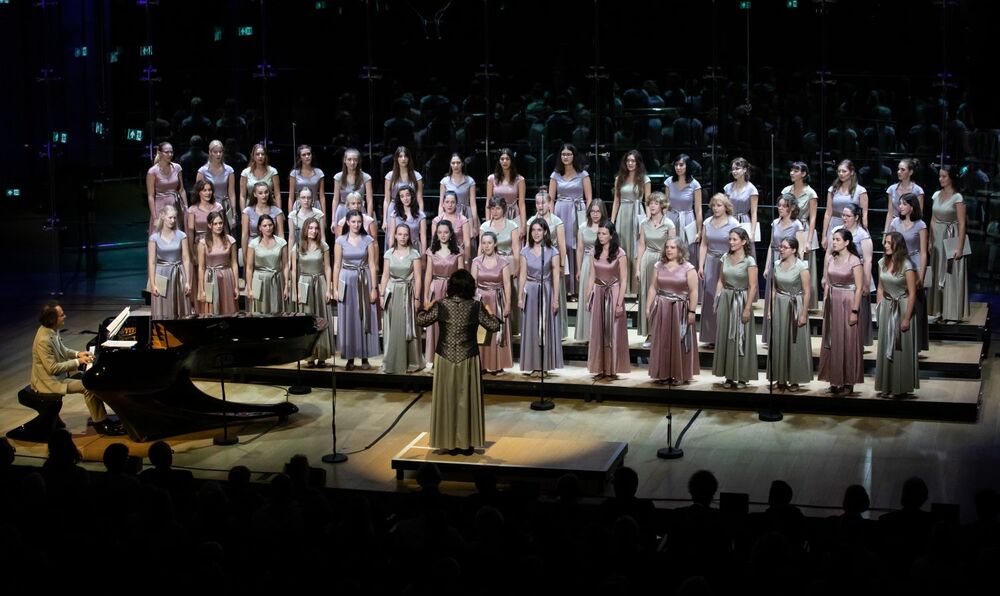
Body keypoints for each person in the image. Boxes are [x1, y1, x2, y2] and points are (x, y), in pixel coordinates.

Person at [416, 270, 501, 455]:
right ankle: (466, 443)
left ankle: (447, 441)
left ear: (451, 287)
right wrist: (491, 313)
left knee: (447, 399)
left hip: (445, 358)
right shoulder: (475, 306)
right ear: (470, 287)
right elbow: (494, 326)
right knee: (465, 399)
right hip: (468, 358)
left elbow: (421, 320)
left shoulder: (441, 305)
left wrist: (424, 307)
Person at [31, 301, 125, 435]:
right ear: (53, 319)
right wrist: (78, 361)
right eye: (62, 315)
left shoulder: (50, 331)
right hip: (48, 383)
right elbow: (52, 369)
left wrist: (77, 354)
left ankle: (102, 418)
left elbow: (62, 350)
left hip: (57, 378)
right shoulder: (43, 340)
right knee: (88, 387)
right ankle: (100, 423)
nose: (65, 316)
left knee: (91, 380)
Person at [818, 228, 865, 395]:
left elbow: (859, 288)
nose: (834, 242)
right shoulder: (831, 258)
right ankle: (834, 379)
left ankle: (847, 382)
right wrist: (825, 302)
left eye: (837, 239)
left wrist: (855, 310)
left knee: (848, 341)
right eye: (833, 239)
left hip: (847, 301)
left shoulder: (854, 261)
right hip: (833, 301)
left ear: (847, 242)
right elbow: (828, 283)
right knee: (833, 340)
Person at [647, 238, 698, 385]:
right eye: (667, 247)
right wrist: (648, 306)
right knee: (662, 341)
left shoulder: (689, 268)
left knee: (679, 341)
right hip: (662, 307)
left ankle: (679, 374)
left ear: (680, 250)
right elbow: (653, 287)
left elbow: (694, 291)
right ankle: (663, 374)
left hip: (680, 309)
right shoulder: (658, 265)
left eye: (673, 247)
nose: (669, 250)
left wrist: (692, 312)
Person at [874, 232, 920, 398]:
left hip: (902, 307)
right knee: (887, 344)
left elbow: (913, 294)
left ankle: (900, 387)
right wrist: (879, 308)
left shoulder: (907, 265)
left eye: (888, 243)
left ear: (897, 245)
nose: (885, 245)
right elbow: (880, 288)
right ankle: (886, 385)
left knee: (900, 347)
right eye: (885, 242)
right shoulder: (882, 262)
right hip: (887, 307)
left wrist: (907, 317)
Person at [333, 212, 379, 370]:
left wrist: (374, 288)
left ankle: (365, 357)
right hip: (346, 280)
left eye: (359, 221)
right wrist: (335, 288)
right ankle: (350, 357)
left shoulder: (368, 240)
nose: (356, 224)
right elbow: (337, 265)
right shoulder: (340, 241)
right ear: (347, 222)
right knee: (349, 318)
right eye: (353, 221)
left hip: (364, 280)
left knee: (364, 316)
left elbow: (372, 264)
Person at [712, 227, 758, 388]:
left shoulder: (749, 261)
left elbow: (753, 286)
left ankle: (742, 377)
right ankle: (729, 376)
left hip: (741, 298)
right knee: (726, 336)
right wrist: (717, 299)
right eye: (730, 239)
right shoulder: (725, 257)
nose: (731, 242)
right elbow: (720, 280)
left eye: (734, 239)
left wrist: (747, 308)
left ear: (743, 242)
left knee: (741, 337)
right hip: (726, 298)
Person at [584, 221, 630, 380]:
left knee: (612, 332)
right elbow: (592, 275)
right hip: (598, 293)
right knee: (597, 331)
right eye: (599, 233)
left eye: (604, 233)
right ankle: (599, 368)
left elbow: (624, 280)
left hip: (613, 292)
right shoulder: (593, 252)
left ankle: (612, 369)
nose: (601, 236)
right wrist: (588, 296)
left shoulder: (620, 253)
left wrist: (619, 303)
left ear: (611, 235)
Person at [519, 219, 564, 377]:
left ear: (545, 232)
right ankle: (533, 365)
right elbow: (523, 274)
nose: (536, 233)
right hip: (530, 292)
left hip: (546, 290)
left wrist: (556, 299)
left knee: (545, 328)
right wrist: (519, 297)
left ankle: (544, 366)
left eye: (539, 230)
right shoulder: (525, 251)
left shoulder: (552, 251)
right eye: (533, 230)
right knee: (531, 328)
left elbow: (556, 277)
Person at [766, 237, 813, 390]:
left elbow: (807, 292)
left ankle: (794, 379)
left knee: (794, 343)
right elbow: (774, 288)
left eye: (785, 247)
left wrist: (804, 314)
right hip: (780, 304)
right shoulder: (776, 265)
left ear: (793, 250)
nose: (781, 249)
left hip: (795, 305)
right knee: (779, 340)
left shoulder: (801, 267)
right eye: (781, 247)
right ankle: (780, 378)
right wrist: (769, 309)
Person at [379, 223, 425, 374]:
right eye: (400, 234)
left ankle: (411, 361)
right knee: (393, 327)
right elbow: (385, 276)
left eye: (405, 234)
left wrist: (417, 298)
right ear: (395, 235)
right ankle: (392, 361)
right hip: (392, 293)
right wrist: (381, 295)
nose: (403, 237)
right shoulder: (388, 254)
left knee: (407, 327)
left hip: (408, 294)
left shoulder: (414, 254)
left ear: (409, 236)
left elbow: (418, 278)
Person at [548, 143, 593, 297]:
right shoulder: (555, 175)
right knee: (563, 246)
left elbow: (589, 198)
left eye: (568, 154)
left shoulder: (583, 174)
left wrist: (588, 219)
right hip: (561, 210)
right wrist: (551, 219)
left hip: (578, 211)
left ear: (574, 156)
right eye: (563, 154)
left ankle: (578, 287)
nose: (566, 157)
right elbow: (550, 199)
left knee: (577, 246)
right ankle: (565, 287)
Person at [928, 164, 969, 322]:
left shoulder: (958, 197)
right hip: (937, 236)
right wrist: (931, 241)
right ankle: (937, 310)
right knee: (937, 272)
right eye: (940, 176)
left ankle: (952, 313)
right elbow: (932, 219)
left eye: (944, 176)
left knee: (951, 273)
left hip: (952, 237)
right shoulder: (936, 194)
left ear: (951, 177)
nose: (941, 179)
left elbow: (962, 223)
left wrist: (959, 247)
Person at [888, 193, 930, 350]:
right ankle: (895, 338)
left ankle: (916, 342)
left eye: (904, 204)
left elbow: (924, 252)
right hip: (898, 263)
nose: (900, 207)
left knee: (916, 302)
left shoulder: (921, 225)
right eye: (900, 204)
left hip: (915, 264)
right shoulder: (894, 223)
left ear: (912, 207)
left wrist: (922, 274)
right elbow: (889, 246)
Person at [762, 194, 804, 343]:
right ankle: (770, 335)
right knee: (772, 297)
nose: (780, 208)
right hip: (775, 261)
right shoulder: (774, 223)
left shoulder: (797, 225)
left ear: (792, 208)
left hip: (789, 264)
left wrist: (798, 270)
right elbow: (771, 245)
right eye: (779, 205)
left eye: (784, 206)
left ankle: (785, 333)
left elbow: (801, 249)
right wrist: (768, 266)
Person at [293, 217, 335, 367]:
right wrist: (296, 291)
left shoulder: (323, 246)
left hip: (320, 282)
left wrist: (329, 288)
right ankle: (309, 355)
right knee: (308, 319)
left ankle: (322, 354)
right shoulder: (297, 247)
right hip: (304, 284)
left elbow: (328, 267)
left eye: (316, 228)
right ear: (305, 229)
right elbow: (294, 270)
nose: (313, 231)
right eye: (310, 228)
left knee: (321, 318)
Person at [699, 193, 740, 346]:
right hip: (710, 262)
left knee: (725, 298)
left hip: (727, 263)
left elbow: (739, 245)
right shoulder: (707, 222)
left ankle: (727, 336)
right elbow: (704, 244)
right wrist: (701, 265)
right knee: (710, 299)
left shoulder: (733, 223)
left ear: (726, 207)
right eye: (714, 205)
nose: (715, 208)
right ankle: (711, 336)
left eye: (719, 205)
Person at [528, 189, 569, 339]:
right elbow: (528, 245)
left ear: (550, 203)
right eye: (538, 203)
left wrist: (562, 265)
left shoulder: (557, 221)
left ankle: (559, 330)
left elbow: (563, 245)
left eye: (543, 202)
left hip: (554, 260)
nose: (540, 206)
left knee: (556, 294)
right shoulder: (531, 221)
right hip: (537, 264)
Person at [636, 192, 675, 346]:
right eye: (650, 203)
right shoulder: (644, 224)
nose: (652, 206)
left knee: (662, 296)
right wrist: (638, 268)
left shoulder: (669, 224)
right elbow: (641, 246)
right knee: (647, 295)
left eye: (655, 203)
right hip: (648, 260)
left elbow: (674, 246)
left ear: (662, 206)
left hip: (664, 261)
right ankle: (650, 333)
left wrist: (671, 265)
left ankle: (663, 332)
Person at [832, 203, 875, 346]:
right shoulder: (838, 231)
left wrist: (866, 282)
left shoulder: (862, 235)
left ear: (856, 217)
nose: (844, 218)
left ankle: (857, 341)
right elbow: (829, 255)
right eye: (843, 215)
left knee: (858, 308)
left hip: (857, 274)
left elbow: (868, 260)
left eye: (848, 215)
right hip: (840, 275)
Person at [423, 220, 464, 366]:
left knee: (451, 324)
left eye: (446, 232)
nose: (443, 235)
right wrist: (426, 296)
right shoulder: (431, 251)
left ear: (451, 233)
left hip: (452, 291)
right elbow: (428, 275)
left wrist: (460, 295)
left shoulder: (458, 251)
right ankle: (434, 358)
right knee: (435, 325)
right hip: (436, 289)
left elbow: (461, 275)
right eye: (440, 232)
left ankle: (450, 358)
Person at [473, 231, 513, 374]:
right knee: (481, 333)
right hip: (481, 301)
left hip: (497, 301)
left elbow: (507, 285)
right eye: (483, 243)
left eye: (489, 243)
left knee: (496, 334)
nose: (486, 246)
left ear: (495, 244)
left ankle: (496, 364)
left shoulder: (503, 262)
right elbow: (473, 284)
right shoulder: (476, 261)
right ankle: (481, 364)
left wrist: (508, 304)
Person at [611, 149, 651, 291]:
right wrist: (612, 221)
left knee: (637, 249)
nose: (630, 163)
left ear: (638, 162)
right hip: (623, 214)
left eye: (633, 161)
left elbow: (648, 202)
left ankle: (636, 288)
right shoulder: (619, 179)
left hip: (637, 214)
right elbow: (616, 201)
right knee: (623, 248)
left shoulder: (645, 179)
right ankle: (624, 287)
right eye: (628, 161)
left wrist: (648, 221)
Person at [481, 196, 521, 335]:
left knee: (510, 294)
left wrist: (517, 266)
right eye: (493, 208)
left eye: (498, 208)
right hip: (491, 265)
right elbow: (482, 250)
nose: (495, 211)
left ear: (503, 209)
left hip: (508, 263)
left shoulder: (512, 225)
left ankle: (512, 328)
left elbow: (516, 248)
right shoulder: (485, 226)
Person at [781, 161, 820, 309]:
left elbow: (813, 218)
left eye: (796, 170)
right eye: (791, 170)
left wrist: (809, 240)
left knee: (803, 266)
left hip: (803, 230)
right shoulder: (786, 191)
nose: (792, 173)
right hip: (787, 228)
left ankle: (805, 303)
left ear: (803, 174)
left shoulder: (810, 193)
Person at [148, 204, 193, 319]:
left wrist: (188, 280)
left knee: (181, 306)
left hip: (179, 273)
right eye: (170, 217)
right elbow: (152, 262)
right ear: (163, 216)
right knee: (163, 307)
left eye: (174, 218)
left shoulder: (181, 235)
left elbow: (186, 258)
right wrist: (153, 284)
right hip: (162, 274)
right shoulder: (154, 238)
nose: (172, 220)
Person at [575, 199, 608, 342]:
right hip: (587, 264)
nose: (595, 214)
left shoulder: (606, 227)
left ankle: (601, 333)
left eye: (598, 211)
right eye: (593, 211)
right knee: (587, 298)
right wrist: (579, 269)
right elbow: (580, 249)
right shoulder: (582, 227)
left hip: (602, 264)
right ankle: (588, 334)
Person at [197, 211, 239, 315]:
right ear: (209, 225)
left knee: (228, 308)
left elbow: (234, 263)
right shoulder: (203, 243)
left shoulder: (231, 240)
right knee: (212, 309)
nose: (219, 226)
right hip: (210, 277)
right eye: (215, 224)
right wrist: (201, 289)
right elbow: (201, 268)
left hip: (227, 276)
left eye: (220, 223)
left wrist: (236, 286)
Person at [664, 153, 703, 267]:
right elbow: (665, 205)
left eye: (681, 165)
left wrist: (699, 231)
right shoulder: (669, 182)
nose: (678, 168)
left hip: (688, 220)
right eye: (676, 165)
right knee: (670, 250)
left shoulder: (695, 184)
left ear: (688, 166)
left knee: (687, 252)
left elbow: (698, 209)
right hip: (671, 219)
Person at [246, 214, 288, 314]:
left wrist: (286, 286)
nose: (268, 228)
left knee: (277, 310)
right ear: (260, 228)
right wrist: (249, 287)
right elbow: (249, 267)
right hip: (259, 280)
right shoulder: (253, 244)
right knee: (260, 312)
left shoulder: (281, 242)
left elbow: (285, 265)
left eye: (270, 225)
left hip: (276, 280)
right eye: (265, 226)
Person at [822, 159, 868, 248]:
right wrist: (824, 235)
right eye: (839, 171)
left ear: (851, 172)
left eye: (844, 171)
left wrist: (863, 230)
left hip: (853, 225)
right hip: (835, 223)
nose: (841, 174)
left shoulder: (860, 191)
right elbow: (828, 213)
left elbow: (864, 215)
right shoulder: (832, 190)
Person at [146, 141, 187, 234]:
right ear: (160, 153)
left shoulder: (177, 167)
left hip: (175, 204)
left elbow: (181, 189)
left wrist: (186, 207)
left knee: (176, 233)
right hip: (160, 206)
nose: (170, 154)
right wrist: (155, 216)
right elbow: (150, 196)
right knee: (160, 234)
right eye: (167, 152)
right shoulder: (152, 171)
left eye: (171, 152)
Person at [196, 139, 237, 231]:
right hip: (209, 205)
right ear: (210, 153)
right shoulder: (202, 171)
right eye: (215, 152)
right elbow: (198, 193)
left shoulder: (229, 170)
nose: (218, 154)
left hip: (225, 205)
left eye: (220, 152)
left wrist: (234, 212)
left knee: (226, 234)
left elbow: (231, 193)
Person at [241, 181, 285, 266]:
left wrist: (281, 253)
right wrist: (244, 254)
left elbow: (280, 234)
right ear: (254, 194)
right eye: (260, 193)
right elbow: (245, 235)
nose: (264, 195)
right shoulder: (247, 212)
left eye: (266, 192)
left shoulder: (277, 211)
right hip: (253, 248)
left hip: (272, 248)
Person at [723, 157, 759, 255]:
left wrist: (752, 232)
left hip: (744, 221)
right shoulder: (728, 187)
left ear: (745, 169)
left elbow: (754, 213)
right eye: (733, 169)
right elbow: (724, 208)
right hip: (730, 220)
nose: (734, 171)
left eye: (737, 169)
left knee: (745, 252)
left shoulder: (752, 189)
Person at [186, 179, 225, 267]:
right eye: (205, 190)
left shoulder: (218, 207)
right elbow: (191, 232)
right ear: (199, 192)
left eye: (210, 190)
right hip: (200, 245)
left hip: (217, 243)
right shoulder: (192, 210)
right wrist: (192, 253)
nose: (208, 193)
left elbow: (224, 228)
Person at [383, 146, 424, 228]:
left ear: (409, 158)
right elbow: (387, 199)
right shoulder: (390, 176)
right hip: (394, 209)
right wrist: (384, 220)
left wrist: (421, 218)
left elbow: (419, 199)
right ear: (396, 159)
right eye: (400, 156)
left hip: (412, 209)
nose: (403, 159)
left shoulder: (417, 176)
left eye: (405, 156)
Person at [486, 148, 526, 228]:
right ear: (499, 161)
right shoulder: (491, 179)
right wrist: (487, 221)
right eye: (502, 159)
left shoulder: (520, 180)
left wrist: (523, 225)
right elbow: (488, 202)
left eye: (507, 159)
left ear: (511, 161)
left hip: (513, 215)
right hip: (496, 215)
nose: (505, 161)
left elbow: (521, 204)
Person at [332, 147, 374, 222]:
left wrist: (369, 219)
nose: (352, 162)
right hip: (342, 210)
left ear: (358, 161)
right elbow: (335, 199)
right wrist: (333, 220)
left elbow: (369, 200)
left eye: (355, 160)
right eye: (349, 159)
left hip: (359, 210)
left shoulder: (366, 177)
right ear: (344, 160)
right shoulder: (338, 177)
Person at [885, 158, 926, 233]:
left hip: (911, 227)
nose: (899, 172)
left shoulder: (918, 191)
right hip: (895, 227)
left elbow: (919, 214)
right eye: (898, 169)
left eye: (902, 170)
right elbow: (890, 213)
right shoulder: (892, 189)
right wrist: (886, 233)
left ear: (910, 172)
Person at [432, 190, 471, 266]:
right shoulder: (436, 221)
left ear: (456, 204)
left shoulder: (463, 220)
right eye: (447, 202)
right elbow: (434, 242)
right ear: (443, 204)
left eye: (452, 202)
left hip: (459, 257)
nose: (450, 205)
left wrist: (466, 261)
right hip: (441, 257)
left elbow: (467, 243)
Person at [239, 143, 280, 213]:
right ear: (253, 156)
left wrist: (279, 212)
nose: (260, 156)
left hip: (269, 207)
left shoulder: (273, 172)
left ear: (265, 156)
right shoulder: (245, 173)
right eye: (257, 154)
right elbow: (242, 196)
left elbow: (277, 194)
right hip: (250, 208)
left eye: (262, 154)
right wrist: (243, 213)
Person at [386, 185, 426, 254]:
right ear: (399, 199)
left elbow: (423, 238)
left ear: (412, 196)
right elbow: (391, 236)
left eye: (407, 195)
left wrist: (423, 256)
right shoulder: (394, 215)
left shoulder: (420, 215)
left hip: (415, 249)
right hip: (398, 250)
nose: (405, 198)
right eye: (402, 196)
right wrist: (390, 254)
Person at [287, 144, 325, 215]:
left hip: (315, 206)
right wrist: (290, 215)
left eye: (308, 154)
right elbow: (291, 197)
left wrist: (324, 215)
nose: (307, 156)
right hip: (299, 206)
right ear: (300, 158)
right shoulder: (294, 173)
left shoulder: (319, 173)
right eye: (304, 155)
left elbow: (322, 196)